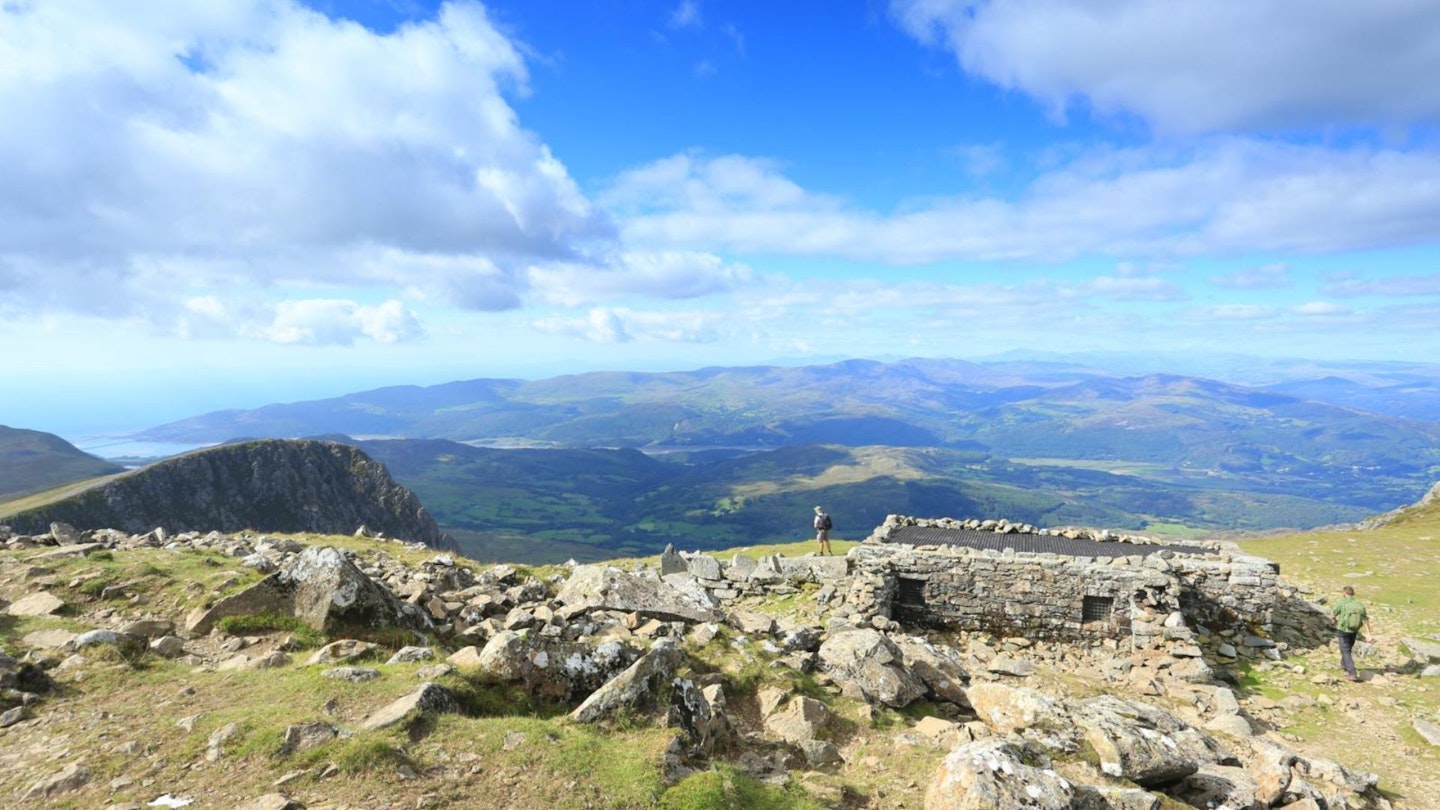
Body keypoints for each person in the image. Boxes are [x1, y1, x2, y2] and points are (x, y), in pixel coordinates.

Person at [1331, 585, 1372, 682]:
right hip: (1354, 630)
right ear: (1353, 594)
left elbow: (1334, 613)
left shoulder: (1342, 602)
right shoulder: (1359, 604)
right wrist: (1368, 634)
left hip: (1343, 630)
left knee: (1345, 651)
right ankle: (1344, 665)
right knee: (1348, 649)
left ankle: (1352, 673)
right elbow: (1365, 619)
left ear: (1344, 593)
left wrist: (1333, 620)